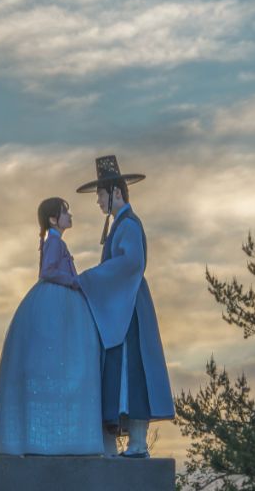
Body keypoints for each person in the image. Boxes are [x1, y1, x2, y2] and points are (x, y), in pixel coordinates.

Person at [76, 155, 175, 458]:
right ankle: (131, 443)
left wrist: (90, 278)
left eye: (101, 195)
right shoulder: (121, 225)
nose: (99, 202)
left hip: (129, 304)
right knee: (121, 370)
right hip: (120, 304)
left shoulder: (130, 225)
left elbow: (131, 263)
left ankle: (137, 442)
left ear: (116, 193)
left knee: (134, 369)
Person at [0, 197, 104, 456]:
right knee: (57, 358)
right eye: (65, 212)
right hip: (58, 300)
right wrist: (73, 281)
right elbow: (47, 271)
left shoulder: (54, 241)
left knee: (63, 361)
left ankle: (61, 437)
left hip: (62, 301)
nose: (69, 215)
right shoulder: (54, 241)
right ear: (54, 219)